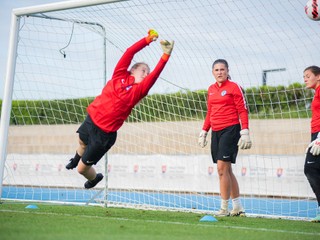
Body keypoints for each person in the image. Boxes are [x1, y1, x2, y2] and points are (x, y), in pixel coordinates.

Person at [65, 29, 174, 189]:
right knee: (81, 141)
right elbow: (130, 52)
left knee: (82, 169)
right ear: (132, 70)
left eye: (147, 72)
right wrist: (147, 39)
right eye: (143, 70)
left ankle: (94, 178)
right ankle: (74, 159)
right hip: (91, 119)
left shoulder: (139, 91)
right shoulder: (119, 74)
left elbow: (155, 75)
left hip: (104, 134)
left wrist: (165, 55)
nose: (146, 73)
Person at [198, 59, 252, 217]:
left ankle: (224, 208)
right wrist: (204, 131)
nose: (220, 72)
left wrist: (245, 131)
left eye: (222, 69)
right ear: (212, 72)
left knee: (221, 169)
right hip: (216, 131)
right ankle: (238, 207)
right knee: (227, 169)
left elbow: (242, 110)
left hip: (231, 130)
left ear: (228, 71)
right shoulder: (211, 89)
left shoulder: (234, 87)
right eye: (216, 70)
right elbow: (210, 112)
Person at [303, 65, 320, 223]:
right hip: (315, 135)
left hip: (319, 136)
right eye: (304, 77)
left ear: (318, 76)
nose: (305, 79)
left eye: (308, 75)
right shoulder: (316, 93)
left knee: (310, 169)